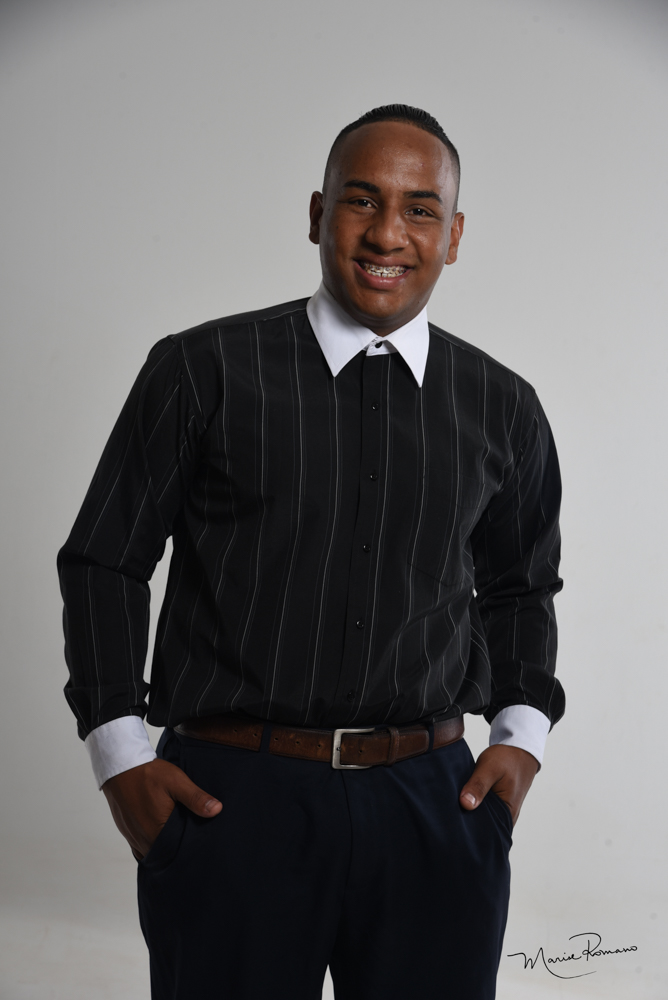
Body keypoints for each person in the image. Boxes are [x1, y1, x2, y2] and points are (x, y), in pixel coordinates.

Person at [58, 104, 564, 1000]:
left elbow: (521, 585)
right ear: (317, 214)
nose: (387, 234)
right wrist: (120, 756)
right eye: (361, 200)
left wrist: (521, 740)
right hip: (232, 803)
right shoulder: (201, 370)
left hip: (435, 808)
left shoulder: (504, 405)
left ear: (453, 236)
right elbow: (106, 559)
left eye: (419, 209)